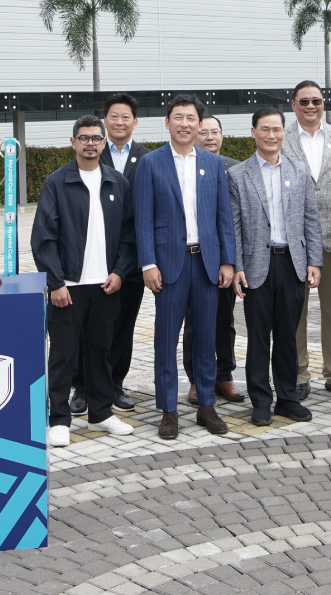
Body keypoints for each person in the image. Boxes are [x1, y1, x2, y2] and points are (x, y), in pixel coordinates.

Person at [133, 94, 237, 440]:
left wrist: (227, 260)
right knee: (165, 340)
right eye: (178, 117)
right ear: (167, 123)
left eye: (191, 118)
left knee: (206, 338)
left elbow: (224, 218)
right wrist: (148, 262)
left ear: (199, 123)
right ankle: (168, 410)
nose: (184, 124)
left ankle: (207, 405)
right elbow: (143, 219)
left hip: (206, 263)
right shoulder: (151, 163)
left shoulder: (212, 163)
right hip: (168, 265)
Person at [31, 115, 137, 446]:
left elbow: (129, 235)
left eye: (96, 138)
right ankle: (59, 418)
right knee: (63, 353)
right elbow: (43, 239)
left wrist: (120, 272)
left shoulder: (117, 183)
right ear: (73, 142)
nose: (90, 143)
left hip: (105, 285)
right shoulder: (57, 183)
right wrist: (56, 283)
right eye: (84, 137)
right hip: (69, 287)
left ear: (104, 143)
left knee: (100, 351)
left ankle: (102, 412)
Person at [228, 107, 323, 426]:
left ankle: (287, 398)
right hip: (256, 265)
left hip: (292, 264)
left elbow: (311, 217)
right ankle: (260, 400)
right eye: (264, 129)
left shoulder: (299, 170)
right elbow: (235, 226)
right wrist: (237, 265)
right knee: (258, 337)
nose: (271, 135)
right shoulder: (238, 175)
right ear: (253, 132)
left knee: (287, 336)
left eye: (277, 129)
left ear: (284, 133)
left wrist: (315, 261)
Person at [284, 81, 331, 399]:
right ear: (294, 104)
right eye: (304, 101)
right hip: (293, 241)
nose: (310, 106)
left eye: (316, 100)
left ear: (323, 103)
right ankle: (300, 374)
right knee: (295, 312)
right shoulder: (281, 138)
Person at [86, 92, 148, 415]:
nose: (120, 122)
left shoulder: (148, 158)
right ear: (104, 120)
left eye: (126, 117)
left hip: (133, 260)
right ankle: (83, 387)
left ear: (135, 122)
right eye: (114, 116)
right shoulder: (92, 152)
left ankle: (114, 384)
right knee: (91, 325)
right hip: (94, 258)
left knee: (123, 326)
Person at [186, 115, 247, 406]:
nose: (210, 137)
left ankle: (224, 375)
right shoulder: (183, 166)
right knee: (194, 323)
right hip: (191, 259)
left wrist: (233, 263)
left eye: (215, 132)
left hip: (223, 261)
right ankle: (197, 379)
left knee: (225, 320)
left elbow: (239, 222)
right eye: (204, 132)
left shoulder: (235, 170)